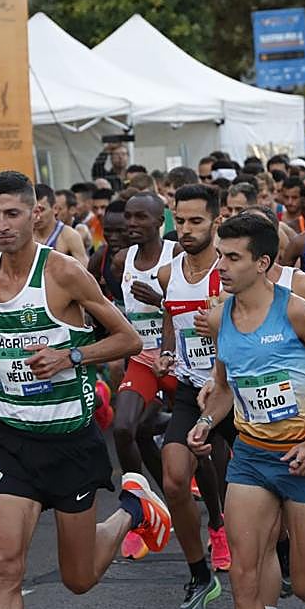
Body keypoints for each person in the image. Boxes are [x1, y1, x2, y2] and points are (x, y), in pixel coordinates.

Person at [0, 171, 171, 609]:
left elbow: (129, 339)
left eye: (12, 214)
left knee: (78, 578)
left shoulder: (62, 273)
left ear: (35, 213)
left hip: (70, 441)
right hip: (12, 439)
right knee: (5, 565)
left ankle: (133, 509)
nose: (2, 225)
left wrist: (70, 356)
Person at [188, 212, 305, 609]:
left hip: (304, 455)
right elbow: (227, 388)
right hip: (251, 457)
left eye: (232, 257)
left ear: (262, 263)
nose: (221, 266)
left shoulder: (295, 310)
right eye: (219, 256)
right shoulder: (220, 315)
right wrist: (206, 421)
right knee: (244, 577)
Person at [153, 184, 231, 609]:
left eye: (196, 221)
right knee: (175, 479)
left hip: (234, 391)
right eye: (179, 221)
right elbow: (171, 318)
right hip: (189, 388)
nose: (185, 229)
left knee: (254, 484)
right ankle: (200, 573)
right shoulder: (169, 273)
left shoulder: (230, 272)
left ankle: (285, 550)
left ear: (216, 222)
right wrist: (169, 351)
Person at [111, 192, 179, 557]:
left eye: (141, 218)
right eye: (129, 217)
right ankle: (144, 507)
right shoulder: (122, 259)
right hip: (140, 358)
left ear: (159, 221)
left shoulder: (177, 255)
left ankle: (218, 520)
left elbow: (192, 304)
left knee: (205, 446)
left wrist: (160, 301)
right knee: (125, 429)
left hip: (180, 357)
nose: (132, 224)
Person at [33, 184, 89, 266]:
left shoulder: (69, 235)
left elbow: (85, 273)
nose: (37, 216)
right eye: (33, 211)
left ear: (55, 208)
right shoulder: (25, 235)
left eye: (42, 210)